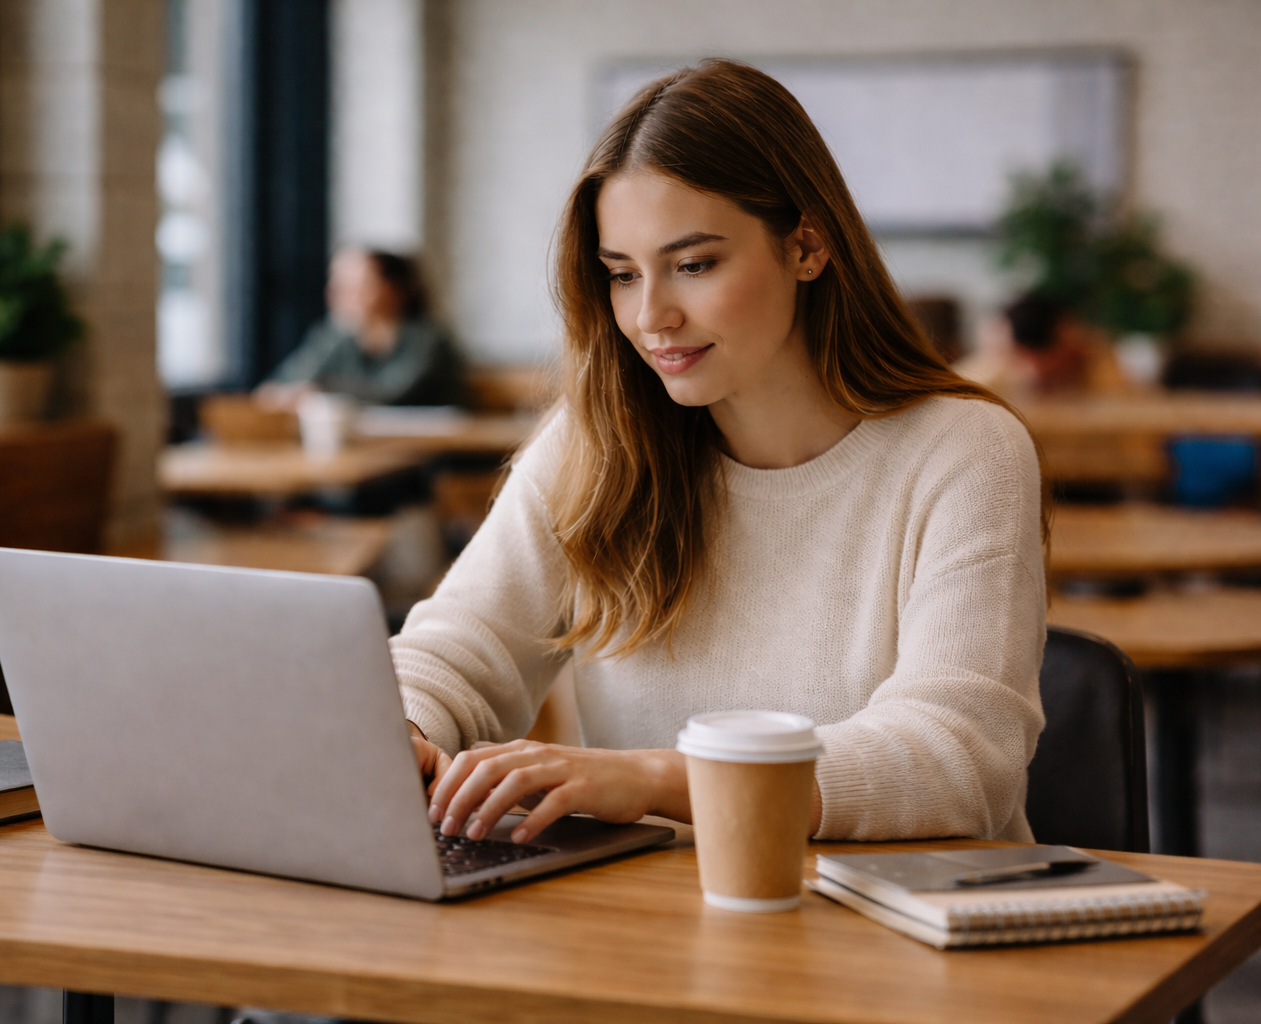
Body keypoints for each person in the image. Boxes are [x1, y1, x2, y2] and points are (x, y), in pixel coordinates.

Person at [395, 59, 1047, 847]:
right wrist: (399, 725)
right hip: (662, 926)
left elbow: (958, 758)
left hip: (904, 936)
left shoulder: (964, 451)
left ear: (806, 246)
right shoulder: (597, 441)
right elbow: (462, 647)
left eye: (694, 265)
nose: (651, 316)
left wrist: (658, 779)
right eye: (622, 275)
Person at [257, 247, 465, 408]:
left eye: (357, 285)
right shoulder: (336, 336)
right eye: (337, 285)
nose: (339, 295)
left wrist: (320, 392)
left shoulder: (427, 341)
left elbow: (391, 394)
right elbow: (282, 383)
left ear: (392, 290)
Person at [956, 291, 1130, 396]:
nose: (1034, 371)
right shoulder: (987, 369)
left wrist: (1098, 355)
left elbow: (1127, 405)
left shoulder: (1092, 361)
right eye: (1022, 358)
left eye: (1048, 359)